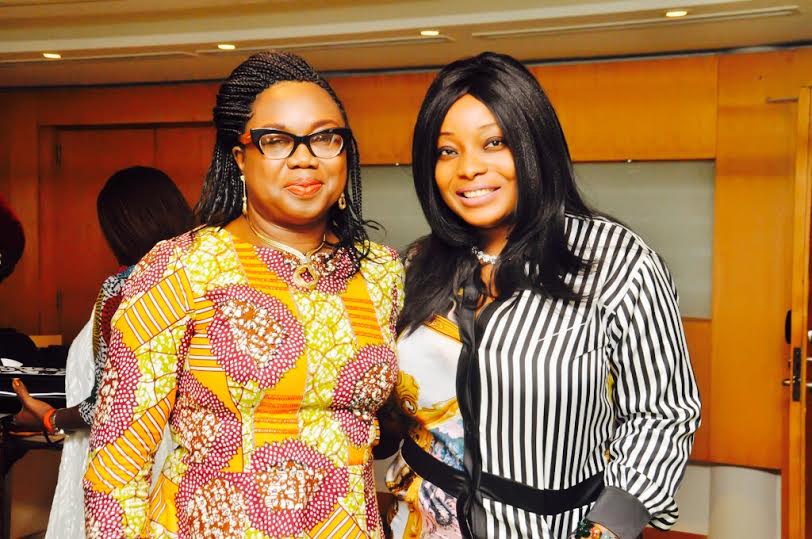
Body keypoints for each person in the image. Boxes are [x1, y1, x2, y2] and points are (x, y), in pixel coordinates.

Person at [82, 51, 403, 539]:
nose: (304, 157)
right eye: (276, 140)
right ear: (240, 158)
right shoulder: (183, 267)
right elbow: (117, 464)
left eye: (324, 137)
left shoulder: (382, 273)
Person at [383, 52, 701, 539]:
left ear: (534, 143)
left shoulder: (616, 260)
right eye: (447, 151)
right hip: (417, 523)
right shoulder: (415, 265)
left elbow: (664, 412)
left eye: (494, 143)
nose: (468, 168)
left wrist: (608, 527)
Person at [10, 166, 194, 539]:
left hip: (129, 472)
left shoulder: (122, 290)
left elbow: (108, 407)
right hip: (189, 473)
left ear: (117, 229)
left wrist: (50, 418)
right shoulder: (205, 280)